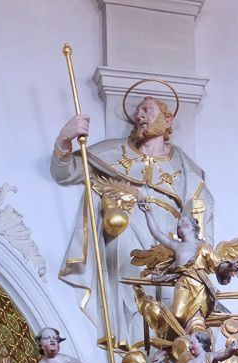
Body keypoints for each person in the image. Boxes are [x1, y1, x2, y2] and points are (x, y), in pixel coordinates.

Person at [51, 95, 213, 344]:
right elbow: (66, 172)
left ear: (167, 120)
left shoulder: (184, 166)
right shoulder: (113, 153)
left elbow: (201, 206)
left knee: (171, 300)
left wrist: (202, 253)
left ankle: (168, 347)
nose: (139, 116)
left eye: (147, 110)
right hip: (127, 227)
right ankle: (136, 343)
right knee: (132, 288)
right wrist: (65, 138)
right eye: (137, 112)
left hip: (169, 236)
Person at [136, 200, 238, 334]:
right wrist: (148, 212)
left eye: (184, 222)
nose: (180, 225)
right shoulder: (177, 246)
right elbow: (157, 233)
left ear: (193, 227)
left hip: (199, 285)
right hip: (183, 284)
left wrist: (230, 266)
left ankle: (195, 338)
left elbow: (218, 266)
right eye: (178, 225)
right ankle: (183, 338)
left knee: (196, 318)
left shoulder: (203, 247)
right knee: (177, 316)